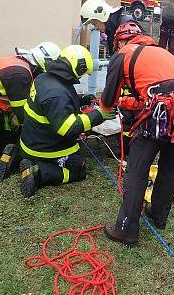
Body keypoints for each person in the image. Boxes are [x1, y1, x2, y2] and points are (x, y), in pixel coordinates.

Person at [99, 21, 174, 246]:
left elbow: (107, 102)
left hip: (164, 109)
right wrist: (127, 101)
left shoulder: (123, 54)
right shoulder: (159, 52)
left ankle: (126, 229)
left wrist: (106, 108)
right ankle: (159, 214)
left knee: (137, 167)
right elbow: (153, 91)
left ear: (120, 41)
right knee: (169, 163)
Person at [17, 45, 110, 198]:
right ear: (78, 69)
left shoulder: (44, 78)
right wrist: (99, 115)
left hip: (31, 140)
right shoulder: (56, 94)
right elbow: (68, 128)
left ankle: (17, 158)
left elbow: (56, 104)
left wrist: (81, 100)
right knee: (78, 169)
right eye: (82, 73)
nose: (81, 78)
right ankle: (38, 172)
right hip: (44, 149)